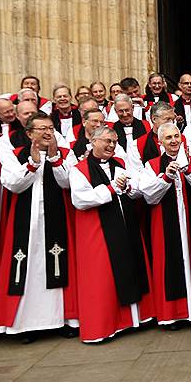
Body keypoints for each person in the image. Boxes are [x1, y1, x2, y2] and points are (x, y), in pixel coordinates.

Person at [0, 113, 79, 341]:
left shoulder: (65, 154)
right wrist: (32, 163)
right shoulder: (16, 155)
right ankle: (26, 325)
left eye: (50, 128)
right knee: (28, 267)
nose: (48, 133)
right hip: (26, 221)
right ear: (29, 134)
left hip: (56, 217)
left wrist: (54, 159)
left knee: (59, 262)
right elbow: (12, 184)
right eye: (41, 129)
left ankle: (63, 320)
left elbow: (69, 182)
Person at [69, 126, 154, 342]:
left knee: (132, 266)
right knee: (103, 277)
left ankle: (136, 319)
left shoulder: (120, 164)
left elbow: (135, 190)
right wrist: (110, 189)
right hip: (99, 229)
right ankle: (106, 325)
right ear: (93, 142)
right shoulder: (79, 169)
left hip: (126, 225)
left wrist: (128, 189)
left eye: (114, 142)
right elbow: (80, 199)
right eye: (106, 141)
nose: (111, 146)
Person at [138, 123, 191, 327]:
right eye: (168, 138)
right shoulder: (152, 164)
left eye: (177, 136)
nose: (174, 141)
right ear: (160, 142)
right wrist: (165, 177)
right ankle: (173, 314)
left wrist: (189, 170)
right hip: (165, 222)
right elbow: (149, 195)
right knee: (169, 262)